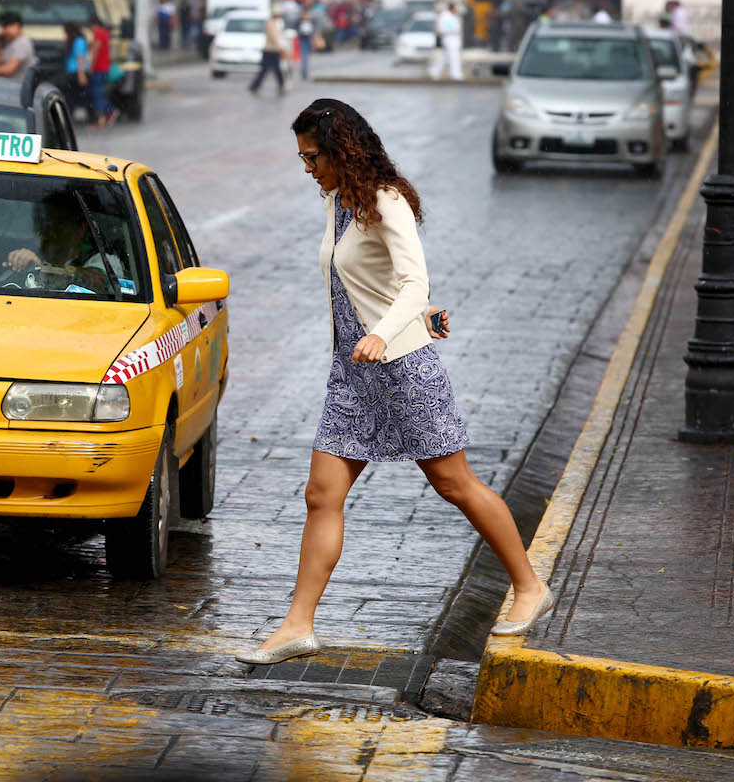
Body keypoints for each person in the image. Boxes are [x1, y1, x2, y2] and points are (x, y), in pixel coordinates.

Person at [234, 99, 552, 665]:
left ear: (341, 151)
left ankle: (529, 587)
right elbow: (375, 283)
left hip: (402, 369)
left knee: (454, 484)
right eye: (302, 158)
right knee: (321, 495)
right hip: (352, 374)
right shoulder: (337, 201)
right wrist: (418, 316)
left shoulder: (386, 199)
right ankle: (297, 625)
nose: (307, 168)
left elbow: (413, 279)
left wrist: (390, 331)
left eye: (313, 157)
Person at [87, 16, 120, 128]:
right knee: (99, 92)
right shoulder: (105, 33)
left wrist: (91, 66)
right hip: (105, 67)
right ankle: (103, 119)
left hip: (99, 68)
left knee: (97, 94)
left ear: (94, 25)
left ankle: (111, 111)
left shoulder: (98, 33)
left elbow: (96, 51)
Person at [249, 9, 287, 96]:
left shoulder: (274, 23)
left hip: (272, 50)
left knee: (270, 70)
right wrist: (279, 47)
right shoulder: (270, 23)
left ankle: (255, 86)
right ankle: (255, 86)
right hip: (270, 50)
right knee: (270, 70)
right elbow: (272, 36)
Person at [62, 22, 90, 117]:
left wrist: (81, 74)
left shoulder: (78, 41)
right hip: (75, 72)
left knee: (74, 95)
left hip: (77, 72)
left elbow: (80, 57)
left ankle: (71, 114)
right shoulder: (78, 41)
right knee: (75, 95)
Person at [430, 3, 463, 81]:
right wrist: (452, 31)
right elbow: (443, 29)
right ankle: (455, 74)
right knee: (454, 57)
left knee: (445, 57)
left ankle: (434, 71)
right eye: (455, 9)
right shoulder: (445, 16)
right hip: (449, 39)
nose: (456, 10)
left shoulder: (451, 16)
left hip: (453, 39)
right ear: (452, 8)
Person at [297, 10, 315, 81]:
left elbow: (313, 31)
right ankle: (304, 73)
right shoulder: (299, 22)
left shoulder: (311, 22)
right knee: (304, 57)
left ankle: (305, 72)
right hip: (302, 40)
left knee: (307, 57)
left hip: (309, 40)